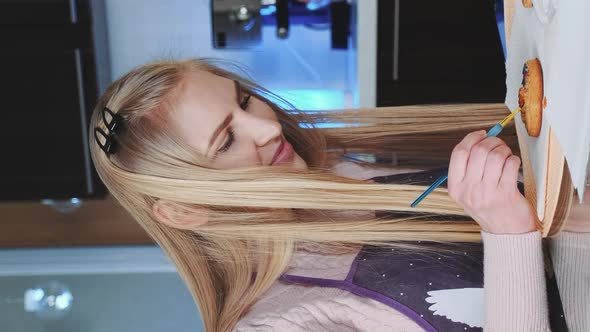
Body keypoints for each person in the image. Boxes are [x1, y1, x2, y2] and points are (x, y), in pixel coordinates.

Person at [90, 59, 589, 331]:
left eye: (243, 101)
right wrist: (508, 236)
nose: (264, 127)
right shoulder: (281, 325)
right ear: (184, 208)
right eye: (226, 140)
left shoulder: (330, 167)